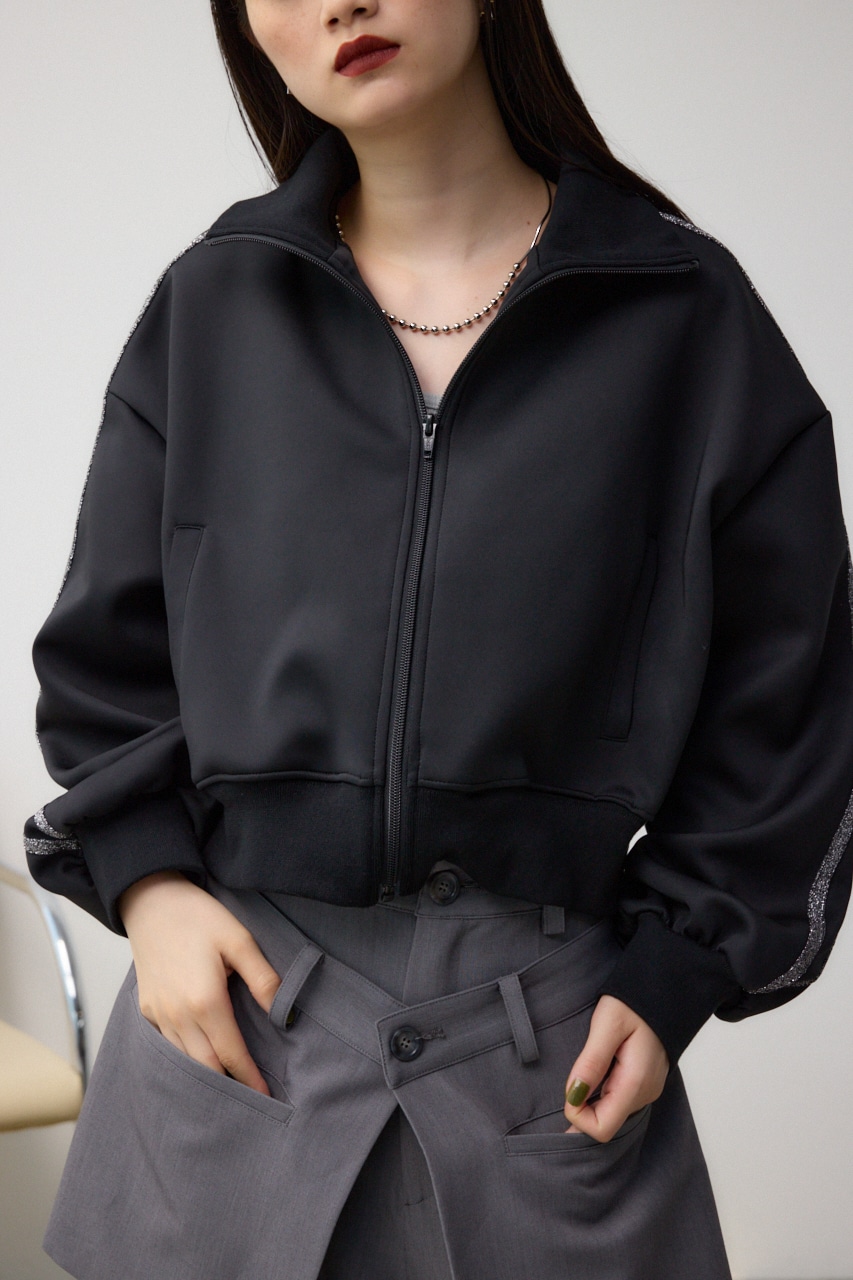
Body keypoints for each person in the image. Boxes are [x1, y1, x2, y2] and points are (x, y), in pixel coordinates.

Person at [23, 1, 853, 1277]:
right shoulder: (213, 303)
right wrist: (152, 885)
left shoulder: (687, 319)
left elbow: (790, 698)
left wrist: (677, 966)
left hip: (547, 1057)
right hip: (234, 1033)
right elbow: (107, 655)